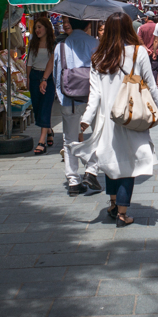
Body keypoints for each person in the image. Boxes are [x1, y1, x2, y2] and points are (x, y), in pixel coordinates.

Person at [75, 13, 158, 226]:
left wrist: (87, 118)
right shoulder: (138, 53)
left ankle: (114, 203)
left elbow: (95, 94)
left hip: (107, 119)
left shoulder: (99, 56)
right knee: (129, 163)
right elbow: (151, 86)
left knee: (111, 160)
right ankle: (122, 213)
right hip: (132, 115)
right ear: (129, 29)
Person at [54, 17, 100, 195]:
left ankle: (73, 180)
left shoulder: (61, 46)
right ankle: (91, 169)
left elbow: (57, 75)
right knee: (98, 136)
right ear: (88, 24)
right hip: (92, 99)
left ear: (70, 25)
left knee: (69, 138)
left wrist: (61, 96)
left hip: (69, 98)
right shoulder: (95, 43)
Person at [26, 16, 57, 155]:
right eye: (36, 28)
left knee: (45, 107)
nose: (37, 30)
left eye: (40, 27)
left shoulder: (53, 44)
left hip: (48, 79)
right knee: (37, 108)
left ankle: (41, 141)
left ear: (46, 28)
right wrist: (27, 78)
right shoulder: (33, 44)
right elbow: (29, 62)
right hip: (34, 76)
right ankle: (49, 130)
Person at [137, 12, 158, 83]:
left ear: (147, 17)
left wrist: (145, 48)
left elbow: (139, 39)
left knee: (144, 69)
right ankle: (154, 84)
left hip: (145, 52)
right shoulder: (157, 26)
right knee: (154, 69)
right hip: (156, 51)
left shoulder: (142, 27)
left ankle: (145, 84)